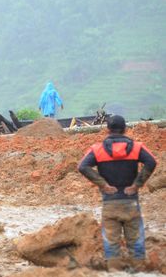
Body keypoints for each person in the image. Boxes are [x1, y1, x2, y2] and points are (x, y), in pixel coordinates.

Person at [78, 115, 156, 271]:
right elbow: (152, 161)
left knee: (111, 241)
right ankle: (139, 270)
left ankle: (115, 271)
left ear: (107, 130)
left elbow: (82, 166)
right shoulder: (136, 147)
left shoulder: (97, 149)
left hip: (110, 202)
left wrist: (103, 184)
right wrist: (136, 185)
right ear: (125, 129)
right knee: (136, 240)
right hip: (131, 202)